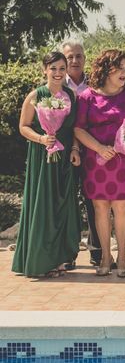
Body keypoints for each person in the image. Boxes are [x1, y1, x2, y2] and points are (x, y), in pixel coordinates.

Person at [74, 49, 125, 278]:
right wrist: (98, 148)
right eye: (120, 68)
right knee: (100, 208)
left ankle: (123, 256)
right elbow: (78, 128)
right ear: (107, 69)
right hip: (96, 161)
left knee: (121, 207)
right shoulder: (87, 96)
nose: (124, 73)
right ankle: (106, 257)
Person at [12, 51, 81, 278]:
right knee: (44, 205)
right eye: (53, 68)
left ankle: (61, 258)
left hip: (65, 159)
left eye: (62, 68)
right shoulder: (35, 95)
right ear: (45, 70)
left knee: (63, 205)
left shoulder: (71, 95)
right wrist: (42, 139)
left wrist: (74, 149)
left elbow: (74, 128)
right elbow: (23, 126)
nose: (58, 73)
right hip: (42, 156)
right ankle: (42, 260)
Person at [61, 39, 103, 269]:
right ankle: (68, 253)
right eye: (70, 57)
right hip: (64, 153)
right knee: (67, 202)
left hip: (92, 151)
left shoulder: (96, 84)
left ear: (85, 59)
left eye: (78, 56)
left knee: (94, 202)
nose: (75, 60)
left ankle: (98, 252)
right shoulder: (56, 85)